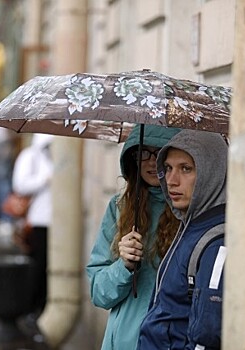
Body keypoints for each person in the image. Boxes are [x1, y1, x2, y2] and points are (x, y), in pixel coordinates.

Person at [86, 124, 180, 350]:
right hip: (124, 341)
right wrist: (124, 266)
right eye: (142, 153)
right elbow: (99, 293)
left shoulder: (190, 210)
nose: (149, 161)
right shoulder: (120, 207)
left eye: (158, 152)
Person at [137, 129, 228, 350]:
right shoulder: (191, 225)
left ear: (212, 172)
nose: (171, 180)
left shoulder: (217, 241)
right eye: (167, 168)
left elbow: (207, 337)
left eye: (186, 169)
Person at [12, 133, 53, 317]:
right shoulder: (31, 156)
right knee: (38, 266)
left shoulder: (54, 156)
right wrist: (44, 180)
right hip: (39, 220)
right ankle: (31, 309)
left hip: (55, 221)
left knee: (48, 268)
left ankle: (41, 307)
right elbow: (20, 185)